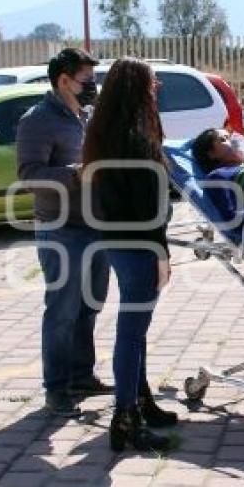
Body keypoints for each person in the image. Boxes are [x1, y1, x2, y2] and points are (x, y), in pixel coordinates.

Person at [81, 57, 176, 452]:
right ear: (139, 88)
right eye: (153, 83)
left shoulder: (102, 131)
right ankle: (125, 418)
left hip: (115, 238)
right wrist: (161, 252)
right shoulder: (138, 137)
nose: (157, 88)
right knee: (132, 331)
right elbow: (149, 205)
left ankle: (140, 400)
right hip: (139, 243)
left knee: (133, 330)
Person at [17, 48, 111, 418]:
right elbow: (29, 176)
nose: (93, 87)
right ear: (64, 80)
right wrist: (76, 173)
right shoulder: (37, 120)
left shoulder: (85, 116)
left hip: (95, 227)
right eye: (87, 80)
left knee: (90, 305)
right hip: (61, 230)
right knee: (62, 311)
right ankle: (56, 389)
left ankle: (82, 375)